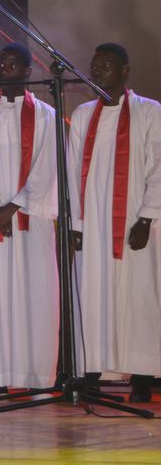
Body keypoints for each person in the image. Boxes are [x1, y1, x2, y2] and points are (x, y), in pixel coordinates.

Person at [68, 43, 161, 403]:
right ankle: (92, 372)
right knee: (93, 294)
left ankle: (141, 375)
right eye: (94, 66)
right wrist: (76, 223)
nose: (98, 72)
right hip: (93, 225)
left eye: (106, 65)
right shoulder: (82, 114)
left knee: (138, 296)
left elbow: (158, 166)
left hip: (136, 223)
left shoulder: (150, 112)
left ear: (125, 70)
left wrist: (148, 215)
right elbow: (73, 171)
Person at [0, 43, 59, 401]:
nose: (5, 68)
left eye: (13, 64)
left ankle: (39, 379)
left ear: (27, 72)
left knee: (36, 295)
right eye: (1, 63)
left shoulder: (48, 116)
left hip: (31, 221)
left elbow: (49, 166)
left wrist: (15, 205)